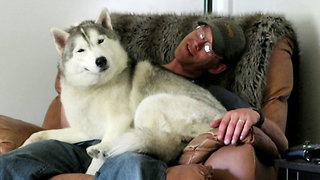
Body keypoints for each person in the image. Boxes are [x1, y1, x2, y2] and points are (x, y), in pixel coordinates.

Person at [0, 17, 288, 180]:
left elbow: (281, 143)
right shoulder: (124, 67)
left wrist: (254, 116)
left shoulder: (212, 94)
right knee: (13, 163)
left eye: (209, 46)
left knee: (132, 167)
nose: (197, 41)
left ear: (217, 67)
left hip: (136, 148)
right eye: (201, 31)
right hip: (87, 143)